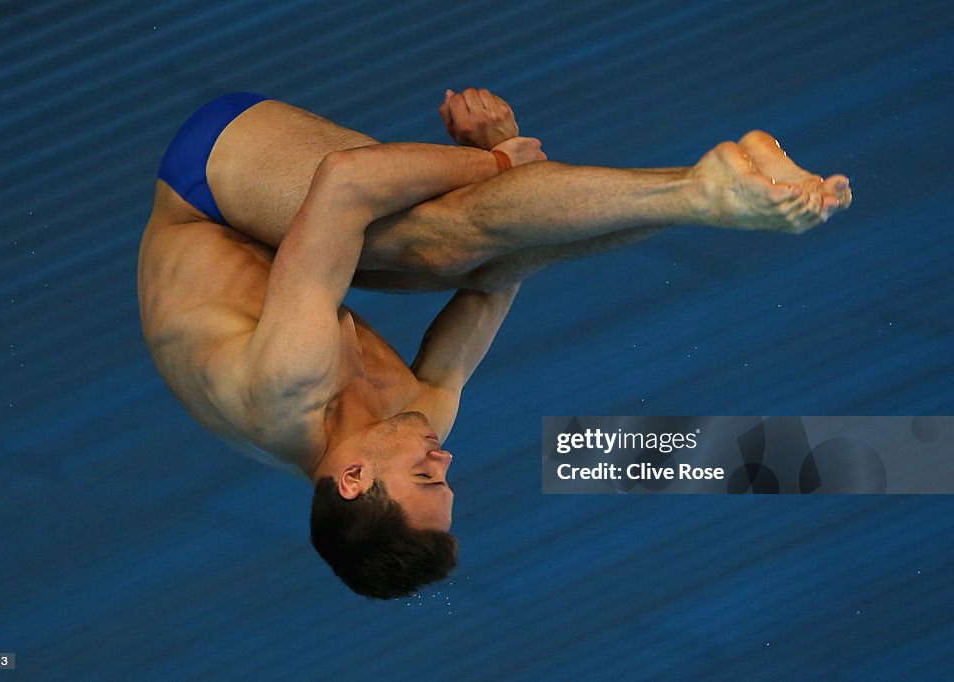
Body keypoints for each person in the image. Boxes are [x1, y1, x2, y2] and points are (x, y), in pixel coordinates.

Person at [137, 88, 851, 598]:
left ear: (352, 479)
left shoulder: (284, 385)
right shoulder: (418, 419)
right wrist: (527, 169)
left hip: (208, 182)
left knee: (432, 246)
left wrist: (502, 163)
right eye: (445, 480)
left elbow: (346, 181)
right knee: (480, 262)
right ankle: (720, 199)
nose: (443, 459)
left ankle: (705, 189)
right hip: (284, 241)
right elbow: (506, 275)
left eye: (425, 477)